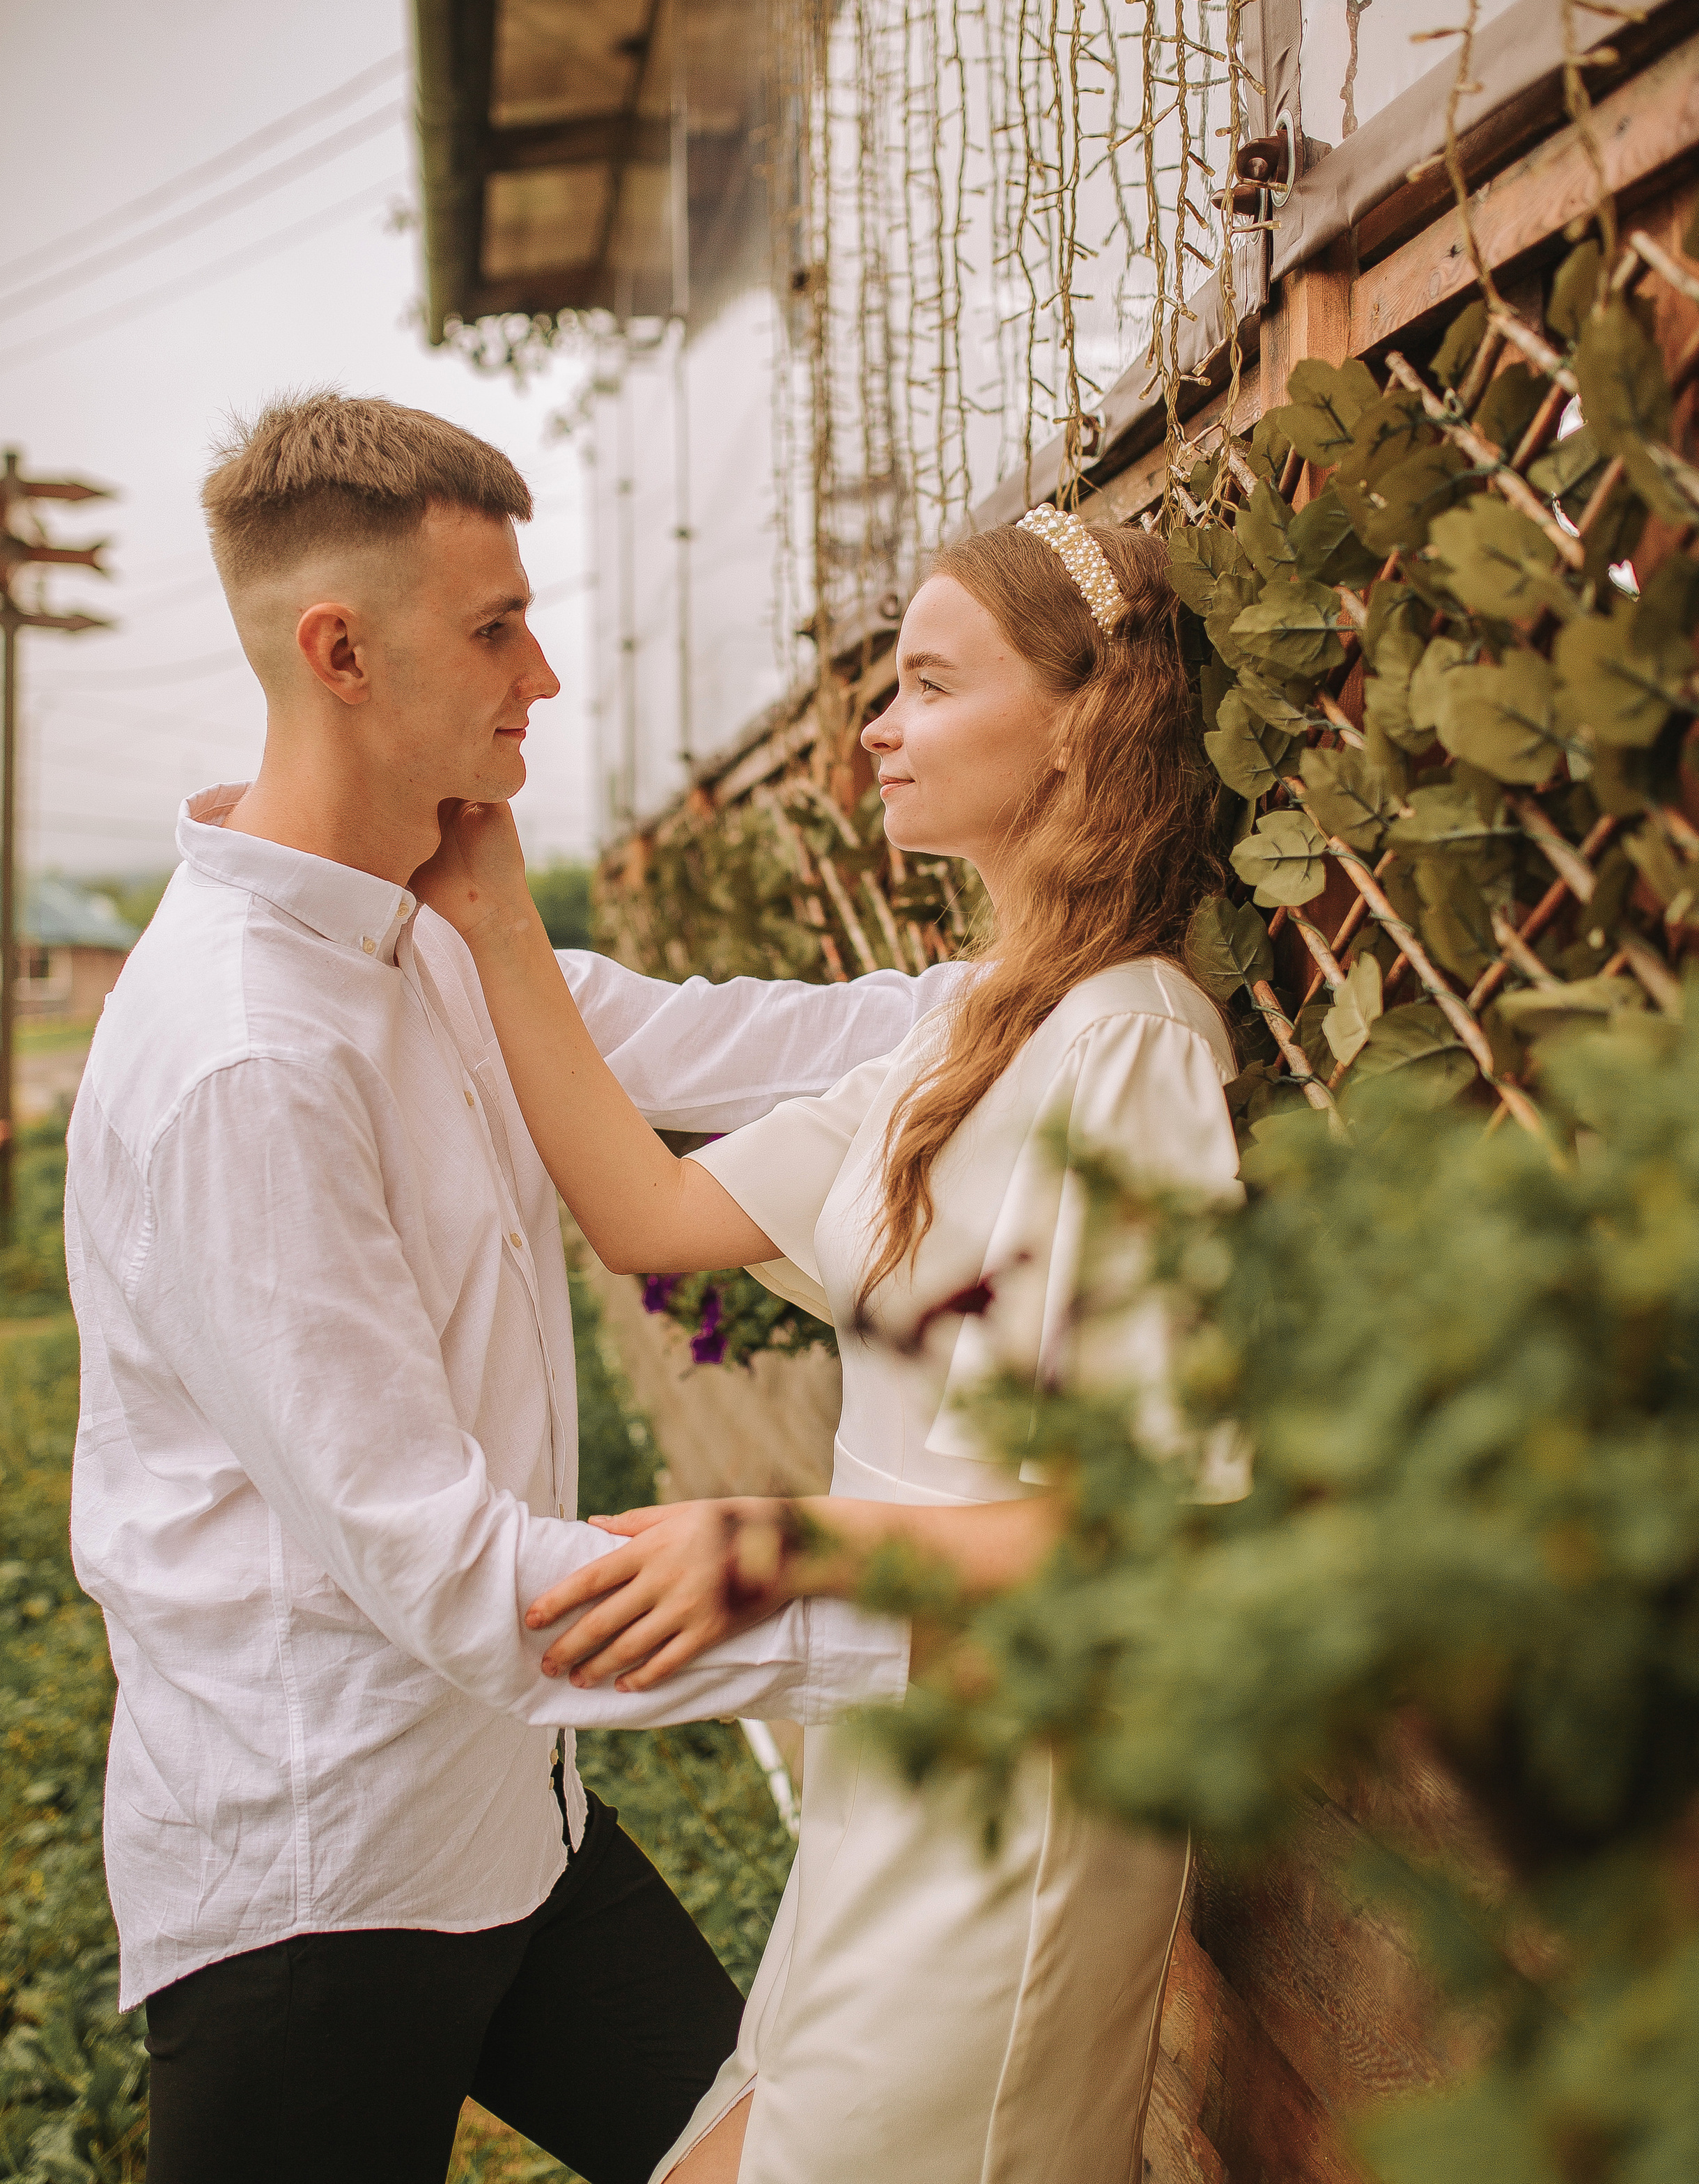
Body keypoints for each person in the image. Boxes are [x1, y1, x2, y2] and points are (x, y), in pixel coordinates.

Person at [63, 391, 968, 2184]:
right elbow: (461, 1577)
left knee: (774, 2157)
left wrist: (1072, 990)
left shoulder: (429, 925)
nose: (541, 672)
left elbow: (745, 1041)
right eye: (495, 625)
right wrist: (971, 1631)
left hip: (511, 1814)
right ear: (339, 649)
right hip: (320, 1891)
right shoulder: (244, 1055)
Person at [414, 506, 1242, 2184]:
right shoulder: (972, 1026)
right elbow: (650, 1213)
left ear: (1079, 721)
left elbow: (1147, 1530)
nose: (874, 726)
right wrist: (489, 904)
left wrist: (776, 1539)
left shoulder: (1132, 1052)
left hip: (1018, 1797)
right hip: (891, 1749)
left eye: (930, 684)